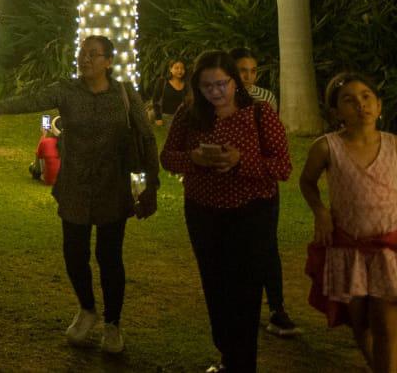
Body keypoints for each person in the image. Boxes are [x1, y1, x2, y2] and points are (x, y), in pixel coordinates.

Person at [0, 35, 159, 355]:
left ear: (108, 62)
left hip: (112, 187)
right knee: (74, 254)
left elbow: (147, 138)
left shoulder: (124, 94)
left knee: (110, 258)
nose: (85, 59)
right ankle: (86, 309)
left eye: (94, 55)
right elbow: (33, 99)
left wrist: (152, 184)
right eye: (82, 53)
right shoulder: (67, 90)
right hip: (75, 187)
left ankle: (113, 323)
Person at [160, 50, 292, 373]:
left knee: (245, 292)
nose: (216, 92)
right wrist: (194, 159)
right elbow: (167, 157)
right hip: (204, 213)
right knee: (215, 286)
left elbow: (283, 166)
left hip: (251, 213)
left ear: (235, 82)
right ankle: (227, 356)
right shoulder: (188, 114)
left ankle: (241, 363)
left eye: (222, 84)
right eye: (207, 86)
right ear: (197, 87)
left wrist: (240, 162)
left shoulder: (259, 114)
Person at [301, 72, 397, 372]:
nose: (361, 105)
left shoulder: (395, 146)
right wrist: (320, 211)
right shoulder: (326, 147)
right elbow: (307, 182)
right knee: (360, 323)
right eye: (349, 100)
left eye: (367, 97)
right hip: (348, 248)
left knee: (385, 325)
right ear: (335, 111)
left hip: (387, 249)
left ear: (379, 106)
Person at [229, 46, 299, 338]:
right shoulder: (220, 96)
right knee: (234, 247)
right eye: (242, 70)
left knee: (267, 246)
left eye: (252, 70)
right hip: (230, 185)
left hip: (261, 181)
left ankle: (276, 307)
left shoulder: (265, 98)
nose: (248, 76)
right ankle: (241, 307)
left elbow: (274, 141)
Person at [152, 59, 189, 126]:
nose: (180, 71)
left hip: (183, 119)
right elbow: (155, 101)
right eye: (176, 68)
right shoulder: (162, 82)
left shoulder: (187, 84)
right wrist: (158, 118)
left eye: (182, 68)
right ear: (170, 69)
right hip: (166, 118)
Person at [32, 116, 63, 186]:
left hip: (50, 180)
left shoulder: (46, 142)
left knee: (32, 167)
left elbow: (38, 155)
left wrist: (43, 135)